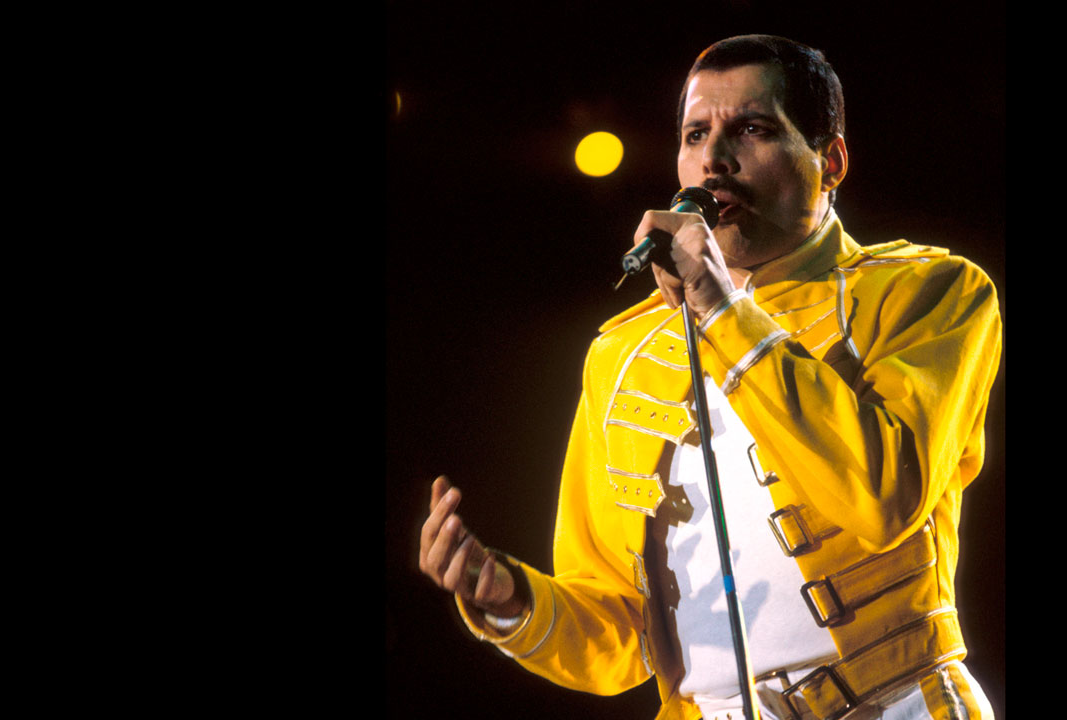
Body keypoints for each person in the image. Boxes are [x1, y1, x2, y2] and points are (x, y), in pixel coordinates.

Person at [418, 35, 1002, 720]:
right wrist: (511, 602)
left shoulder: (928, 291)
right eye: (696, 134)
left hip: (901, 703)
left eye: (752, 129)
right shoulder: (621, 353)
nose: (714, 160)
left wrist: (723, 310)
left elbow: (882, 498)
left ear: (830, 161)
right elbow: (620, 629)